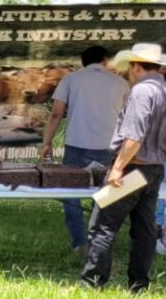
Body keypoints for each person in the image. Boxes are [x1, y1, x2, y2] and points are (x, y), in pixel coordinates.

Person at [82, 42, 166, 292]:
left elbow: (134, 137)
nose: (128, 71)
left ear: (137, 66)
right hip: (155, 168)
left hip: (132, 167)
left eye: (130, 67)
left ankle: (91, 282)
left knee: (102, 225)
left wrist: (117, 168)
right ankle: (139, 284)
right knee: (145, 229)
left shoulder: (141, 91)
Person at [40, 45, 130, 253]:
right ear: (105, 61)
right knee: (106, 195)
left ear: (83, 61)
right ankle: (101, 241)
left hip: (76, 146)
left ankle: (79, 242)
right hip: (108, 147)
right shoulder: (121, 83)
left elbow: (56, 114)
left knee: (70, 194)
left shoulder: (71, 79)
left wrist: (47, 142)